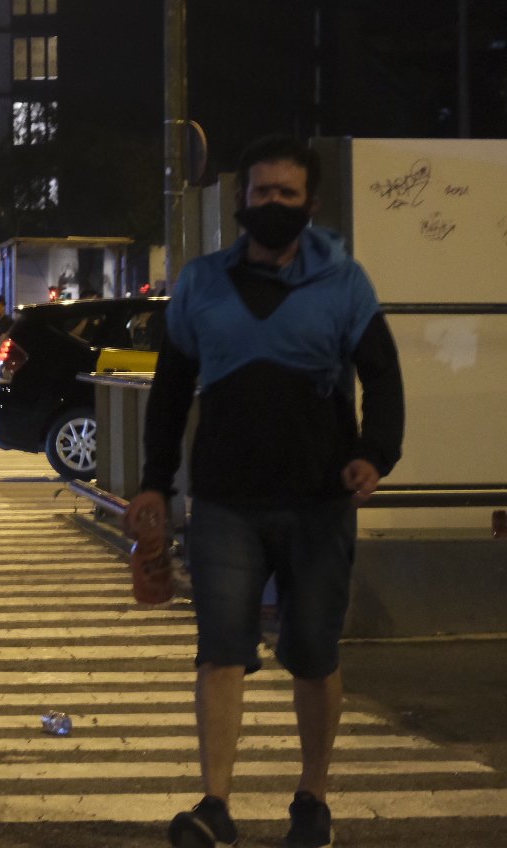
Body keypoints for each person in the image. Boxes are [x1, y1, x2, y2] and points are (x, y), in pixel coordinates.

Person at [128, 135, 403, 848]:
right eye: (261, 193)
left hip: (318, 501)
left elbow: (383, 373)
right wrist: (155, 483)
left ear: (310, 202)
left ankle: (311, 798)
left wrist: (376, 454)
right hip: (223, 501)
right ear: (241, 200)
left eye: (287, 194)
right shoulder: (200, 283)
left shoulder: (345, 282)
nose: (273, 205)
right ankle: (215, 804)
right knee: (221, 650)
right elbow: (169, 389)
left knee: (313, 651)